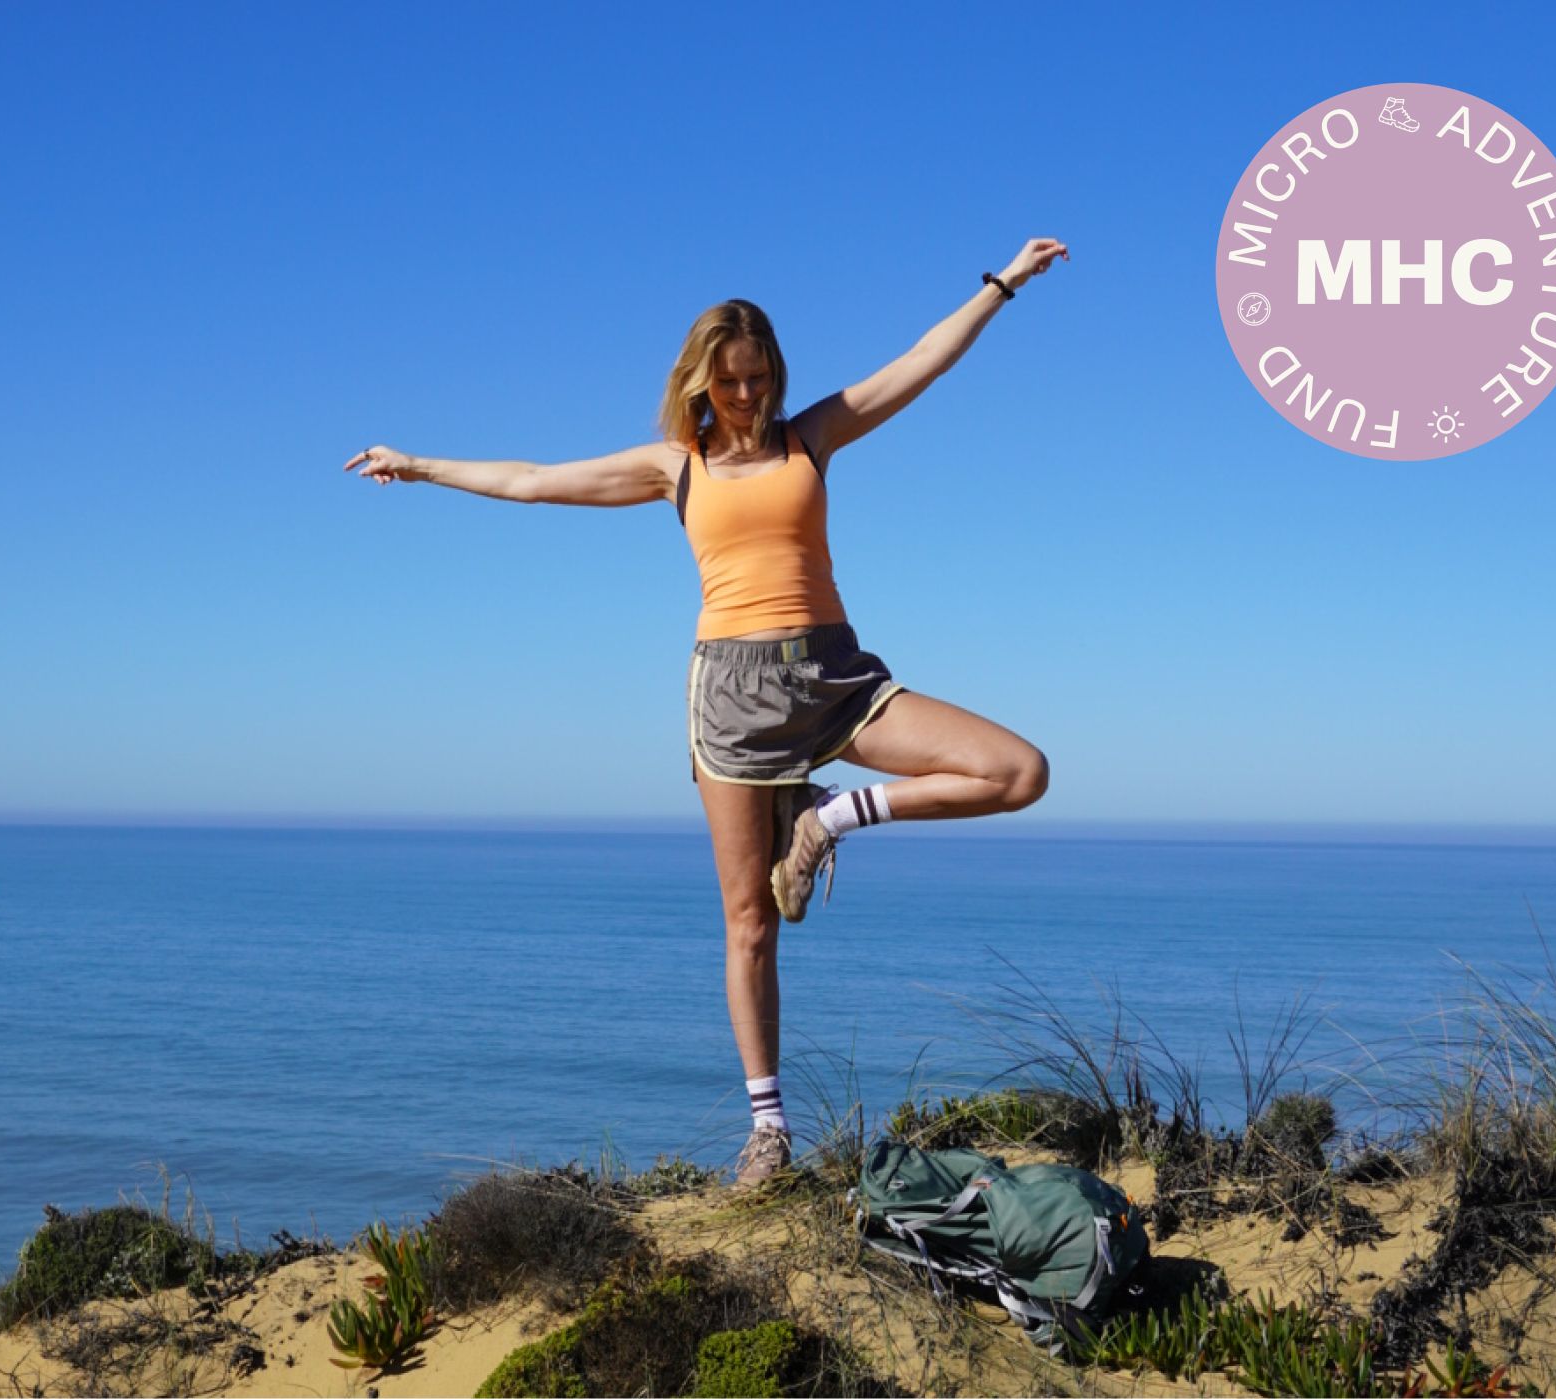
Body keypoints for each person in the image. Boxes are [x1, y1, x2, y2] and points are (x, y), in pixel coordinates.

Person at [343, 237, 1067, 1188]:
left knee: (1017, 770)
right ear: (699, 381)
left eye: (758, 377)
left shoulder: (812, 437)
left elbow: (921, 361)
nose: (746, 394)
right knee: (749, 922)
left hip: (834, 676)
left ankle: (830, 817)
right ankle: (768, 1130)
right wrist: (419, 465)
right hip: (730, 697)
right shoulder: (673, 467)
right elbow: (532, 479)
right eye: (728, 381)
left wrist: (1003, 284)